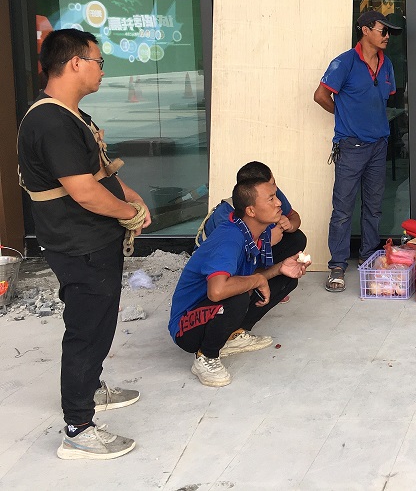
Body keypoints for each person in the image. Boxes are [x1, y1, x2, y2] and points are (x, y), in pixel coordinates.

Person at [16, 28, 151, 460]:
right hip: (79, 243)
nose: (102, 72)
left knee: (99, 322)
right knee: (87, 330)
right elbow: (85, 192)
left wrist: (130, 197)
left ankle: (89, 387)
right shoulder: (51, 122)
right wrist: (128, 213)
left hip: (94, 238)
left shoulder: (71, 115)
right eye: (99, 62)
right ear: (76, 62)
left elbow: (98, 173)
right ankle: (77, 427)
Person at [169, 175, 310, 387]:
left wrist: (279, 268)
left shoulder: (257, 232)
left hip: (213, 308)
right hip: (186, 327)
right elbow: (217, 291)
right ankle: (206, 356)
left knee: (285, 279)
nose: (279, 203)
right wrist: (257, 279)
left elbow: (248, 279)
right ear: (251, 211)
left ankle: (232, 336)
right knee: (238, 296)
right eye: (271, 199)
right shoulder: (229, 238)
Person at [314, 10, 402, 292]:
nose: (387, 36)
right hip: (351, 146)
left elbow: (384, 99)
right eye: (382, 30)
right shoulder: (345, 62)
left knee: (374, 207)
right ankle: (337, 266)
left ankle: (368, 256)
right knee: (343, 209)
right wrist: (344, 116)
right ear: (365, 30)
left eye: (389, 32)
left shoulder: (386, 64)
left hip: (379, 144)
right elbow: (320, 95)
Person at [198, 161, 306, 267]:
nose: (278, 202)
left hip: (255, 248)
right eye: (271, 198)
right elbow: (227, 257)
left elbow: (293, 216)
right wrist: (266, 242)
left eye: (274, 183)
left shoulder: (272, 192)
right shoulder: (226, 216)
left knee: (297, 239)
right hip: (221, 261)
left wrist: (290, 225)